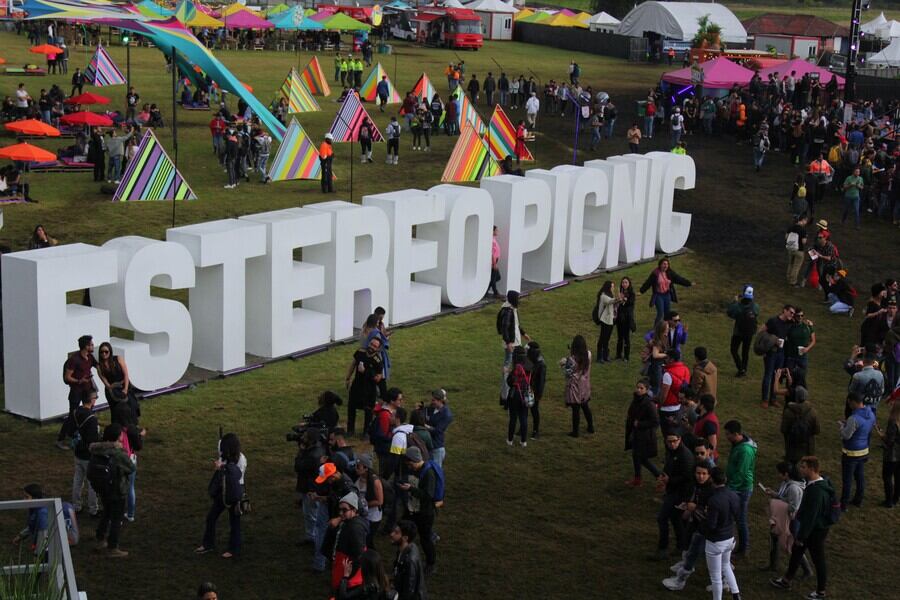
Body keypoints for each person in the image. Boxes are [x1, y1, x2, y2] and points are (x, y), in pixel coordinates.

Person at [770, 456, 835, 599]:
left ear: (812, 469)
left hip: (815, 531)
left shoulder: (816, 491)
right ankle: (787, 579)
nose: (800, 469)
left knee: (818, 559)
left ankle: (821, 592)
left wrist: (801, 536)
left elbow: (811, 517)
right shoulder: (813, 484)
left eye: (803, 467)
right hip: (811, 528)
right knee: (797, 552)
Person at [90, 423, 136, 557]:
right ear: (117, 437)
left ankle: (100, 538)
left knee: (106, 513)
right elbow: (131, 468)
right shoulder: (118, 453)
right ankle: (112, 547)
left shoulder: (97, 450)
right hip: (117, 489)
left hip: (102, 488)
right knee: (116, 518)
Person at [196, 432, 244, 559]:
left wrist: (221, 468)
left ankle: (234, 549)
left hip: (233, 494)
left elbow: (236, 476)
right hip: (223, 493)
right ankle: (208, 544)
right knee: (211, 517)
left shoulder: (241, 460)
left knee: (234, 523)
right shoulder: (227, 457)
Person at [761, 462, 812, 574]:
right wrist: (775, 494)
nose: (778, 475)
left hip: (791, 520)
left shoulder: (793, 488)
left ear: (786, 474)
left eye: (779, 473)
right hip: (781, 516)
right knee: (774, 537)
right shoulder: (786, 483)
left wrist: (776, 503)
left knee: (793, 545)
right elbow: (784, 497)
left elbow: (793, 507)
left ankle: (807, 570)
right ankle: (773, 564)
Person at [653, 428, 695, 561]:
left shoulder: (685, 455)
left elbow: (688, 477)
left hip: (680, 493)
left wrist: (669, 480)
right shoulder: (672, 451)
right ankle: (681, 546)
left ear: (680, 440)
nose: (671, 444)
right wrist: (663, 478)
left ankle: (663, 549)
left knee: (662, 518)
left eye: (674, 441)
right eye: (669, 441)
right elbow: (669, 467)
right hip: (674, 490)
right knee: (675, 519)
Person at [702, 467, 743, 600]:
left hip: (716, 541)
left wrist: (705, 517)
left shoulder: (714, 500)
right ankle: (736, 594)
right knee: (726, 565)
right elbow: (737, 516)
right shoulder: (734, 495)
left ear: (712, 479)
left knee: (715, 576)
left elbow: (711, 525)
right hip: (729, 538)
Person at [399, 447, 440, 575]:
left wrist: (410, 489)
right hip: (411, 509)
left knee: (425, 539)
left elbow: (428, 495)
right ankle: (403, 558)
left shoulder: (428, 473)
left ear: (415, 460)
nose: (409, 467)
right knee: (403, 531)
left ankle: (431, 564)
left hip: (424, 513)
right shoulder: (415, 470)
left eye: (410, 464)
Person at [57, 335, 98, 449]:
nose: (93, 346)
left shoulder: (90, 357)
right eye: (91, 344)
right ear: (86, 346)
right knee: (72, 415)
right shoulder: (74, 360)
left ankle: (79, 435)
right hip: (76, 391)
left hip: (87, 390)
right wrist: (80, 381)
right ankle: (61, 439)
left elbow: (97, 366)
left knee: (88, 413)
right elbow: (67, 377)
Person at [724, 420, 757, 557]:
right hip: (736, 485)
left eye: (728, 434)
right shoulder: (738, 444)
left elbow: (741, 473)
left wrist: (730, 489)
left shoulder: (745, 450)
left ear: (736, 434)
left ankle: (743, 548)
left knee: (740, 519)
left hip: (741, 489)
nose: (726, 437)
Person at [839, 392, 876, 510]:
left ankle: (843, 504)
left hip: (851, 453)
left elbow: (846, 435)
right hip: (863, 450)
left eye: (849, 402)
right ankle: (858, 500)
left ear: (853, 402)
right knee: (860, 477)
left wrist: (841, 426)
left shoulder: (853, 418)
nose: (848, 405)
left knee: (847, 480)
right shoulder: (870, 413)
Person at [345, 336, 385, 437]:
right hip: (357, 385)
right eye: (371, 344)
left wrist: (366, 372)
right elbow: (353, 364)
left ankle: (366, 432)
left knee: (368, 410)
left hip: (369, 389)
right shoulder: (360, 352)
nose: (372, 347)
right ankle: (350, 430)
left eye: (375, 346)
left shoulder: (378, 360)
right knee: (351, 408)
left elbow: (378, 377)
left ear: (378, 348)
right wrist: (348, 378)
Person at [624, 377, 660, 487]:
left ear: (646, 389)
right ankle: (638, 478)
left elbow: (655, 421)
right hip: (636, 433)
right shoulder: (636, 399)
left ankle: (660, 477)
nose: (638, 390)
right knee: (637, 456)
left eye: (641, 388)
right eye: (637, 387)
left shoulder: (649, 404)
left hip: (644, 436)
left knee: (641, 458)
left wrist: (640, 424)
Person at [639, 258, 694, 324]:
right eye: (664, 264)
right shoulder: (655, 273)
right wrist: (641, 291)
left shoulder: (670, 272)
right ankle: (656, 329)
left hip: (667, 295)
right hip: (658, 295)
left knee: (667, 313)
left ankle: (666, 328)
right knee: (660, 313)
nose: (666, 266)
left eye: (667, 264)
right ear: (660, 265)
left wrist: (688, 283)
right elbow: (648, 283)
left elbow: (678, 279)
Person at [762, 305, 795, 408]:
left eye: (793, 313)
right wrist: (768, 343)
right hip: (771, 352)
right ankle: (765, 399)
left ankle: (773, 398)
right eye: (790, 312)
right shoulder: (773, 321)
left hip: (781, 353)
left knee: (776, 375)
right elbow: (762, 332)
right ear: (784, 311)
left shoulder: (789, 323)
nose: (792, 315)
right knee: (768, 375)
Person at [560, 334, 594, 438]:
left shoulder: (572, 359)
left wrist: (563, 364)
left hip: (575, 386)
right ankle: (591, 427)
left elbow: (567, 373)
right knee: (585, 406)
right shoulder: (588, 354)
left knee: (576, 409)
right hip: (585, 385)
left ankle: (575, 432)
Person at [779, 384, 820, 464]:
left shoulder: (788, 412)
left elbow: (783, 429)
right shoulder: (812, 412)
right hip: (808, 448)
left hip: (792, 447)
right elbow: (817, 430)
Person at [726, 285, 758, 377]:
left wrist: (734, 301)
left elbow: (730, 312)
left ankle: (741, 368)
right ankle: (744, 368)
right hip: (749, 333)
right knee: (745, 351)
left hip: (738, 332)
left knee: (734, 349)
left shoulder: (738, 306)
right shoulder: (755, 307)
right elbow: (757, 313)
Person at [391, 520, 427, 600]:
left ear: (405, 538)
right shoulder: (403, 549)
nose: (392, 534)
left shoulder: (409, 561)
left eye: (396, 533)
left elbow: (408, 590)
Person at [355, 454, 384, 550]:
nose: (356, 468)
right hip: (362, 513)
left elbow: (380, 501)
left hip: (373, 516)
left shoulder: (375, 482)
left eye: (358, 466)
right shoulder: (359, 477)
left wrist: (364, 504)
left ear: (366, 468)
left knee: (367, 539)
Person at [505, 346, 532, 447]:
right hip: (525, 393)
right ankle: (523, 441)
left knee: (513, 418)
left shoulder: (517, 368)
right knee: (524, 417)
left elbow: (510, 382)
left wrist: (508, 373)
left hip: (515, 394)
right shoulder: (529, 365)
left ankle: (510, 440)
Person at [875, 400, 900, 507]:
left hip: (892, 455)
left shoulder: (893, 422)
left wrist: (881, 435)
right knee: (898, 477)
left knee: (887, 477)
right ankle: (895, 498)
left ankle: (889, 500)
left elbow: (889, 441)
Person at [12, 483, 49, 555]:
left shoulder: (42, 514)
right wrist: (20, 536)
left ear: (35, 499)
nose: (23, 499)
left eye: (26, 497)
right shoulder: (35, 507)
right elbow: (32, 525)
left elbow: (43, 535)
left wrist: (37, 553)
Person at [425, 389, 452, 468]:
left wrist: (425, 426)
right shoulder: (432, 407)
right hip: (428, 444)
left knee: (435, 471)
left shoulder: (447, 415)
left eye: (434, 400)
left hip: (437, 447)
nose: (431, 401)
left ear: (440, 401)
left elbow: (437, 431)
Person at [784, 307, 816, 373]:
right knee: (790, 377)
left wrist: (807, 348)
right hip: (791, 356)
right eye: (798, 316)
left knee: (801, 377)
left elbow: (813, 340)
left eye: (802, 315)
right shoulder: (789, 326)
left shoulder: (807, 326)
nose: (800, 317)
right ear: (794, 316)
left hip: (803, 356)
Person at [526, 343, 546, 440]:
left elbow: (541, 381)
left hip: (534, 391)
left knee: (534, 410)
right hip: (527, 388)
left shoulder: (541, 364)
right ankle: (523, 428)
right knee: (524, 409)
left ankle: (536, 431)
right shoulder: (531, 360)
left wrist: (538, 394)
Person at [593, 280, 616, 363]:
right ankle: (600, 357)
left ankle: (605, 356)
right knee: (602, 338)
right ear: (608, 287)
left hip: (610, 320)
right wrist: (618, 299)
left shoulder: (611, 295)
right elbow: (610, 301)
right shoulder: (603, 296)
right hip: (605, 320)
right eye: (612, 287)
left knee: (607, 339)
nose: (613, 288)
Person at [614, 277, 636, 361]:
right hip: (620, 318)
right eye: (623, 282)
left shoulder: (631, 294)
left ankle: (626, 356)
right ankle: (618, 355)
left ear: (629, 284)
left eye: (626, 282)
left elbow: (630, 303)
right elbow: (617, 304)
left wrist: (624, 300)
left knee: (626, 338)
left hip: (627, 318)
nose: (624, 284)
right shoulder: (620, 292)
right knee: (619, 338)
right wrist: (618, 300)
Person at [693, 394, 720, 461]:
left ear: (702, 406)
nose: (696, 404)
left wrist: (703, 456)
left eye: (698, 403)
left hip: (706, 458)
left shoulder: (709, 422)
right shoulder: (702, 417)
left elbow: (713, 445)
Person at [785, 215, 809, 286]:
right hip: (799, 250)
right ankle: (793, 281)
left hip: (790, 248)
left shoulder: (791, 227)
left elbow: (786, 237)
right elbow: (804, 242)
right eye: (806, 221)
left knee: (790, 264)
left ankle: (788, 278)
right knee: (796, 266)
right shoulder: (803, 230)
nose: (806, 222)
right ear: (803, 220)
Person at [488, 225, 501, 297]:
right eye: (496, 230)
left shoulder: (493, 238)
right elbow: (492, 252)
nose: (497, 231)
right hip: (494, 261)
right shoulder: (491, 240)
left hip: (495, 260)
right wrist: (494, 263)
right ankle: (495, 293)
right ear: (492, 231)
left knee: (496, 277)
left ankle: (486, 291)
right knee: (495, 277)